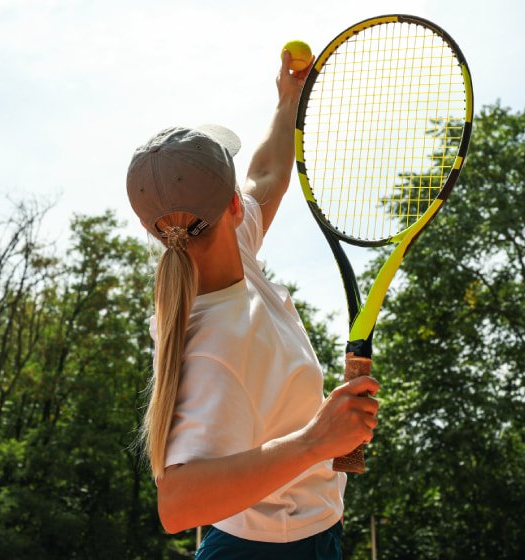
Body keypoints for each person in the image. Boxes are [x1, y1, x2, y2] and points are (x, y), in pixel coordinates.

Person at [126, 50, 379, 559]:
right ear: (233, 205)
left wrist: (288, 102)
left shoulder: (228, 246)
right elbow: (177, 504)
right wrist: (315, 441)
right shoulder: (213, 346)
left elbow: (267, 174)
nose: (249, 193)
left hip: (294, 535)